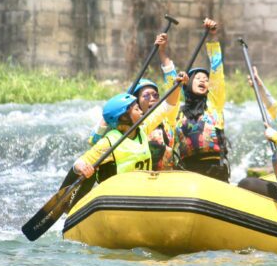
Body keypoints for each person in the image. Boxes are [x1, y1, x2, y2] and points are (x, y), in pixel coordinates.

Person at [73, 71, 188, 182]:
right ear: (124, 118)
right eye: (137, 109)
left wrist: (177, 86)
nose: (142, 113)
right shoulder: (110, 142)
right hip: (122, 194)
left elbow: (167, 106)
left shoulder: (142, 128)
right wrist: (82, 168)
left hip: (145, 187)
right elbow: (79, 162)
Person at [87, 33, 179, 171]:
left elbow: (172, 87)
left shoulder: (167, 119)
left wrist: (162, 53)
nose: (153, 98)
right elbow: (94, 142)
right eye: (146, 95)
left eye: (155, 95)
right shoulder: (122, 128)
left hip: (164, 181)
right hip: (135, 184)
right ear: (134, 103)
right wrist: (109, 117)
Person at [173, 18, 230, 182]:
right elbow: (169, 96)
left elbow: (217, 73)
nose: (203, 80)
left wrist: (212, 39)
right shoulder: (177, 113)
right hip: (187, 171)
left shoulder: (214, 106)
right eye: (197, 78)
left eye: (206, 79)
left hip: (214, 170)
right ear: (188, 84)